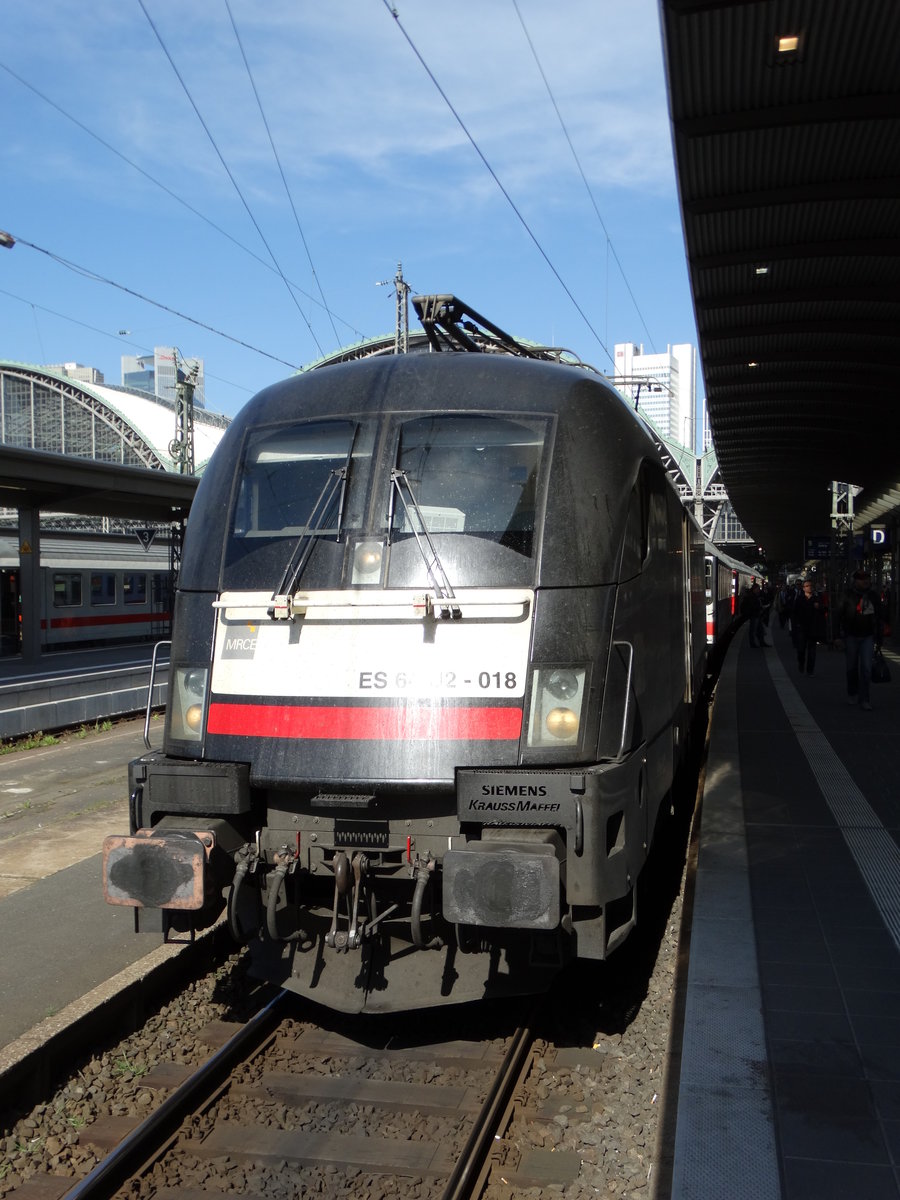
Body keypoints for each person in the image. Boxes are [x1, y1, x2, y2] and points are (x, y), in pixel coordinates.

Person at [837, 568, 883, 710]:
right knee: (851, 667)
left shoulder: (873, 596)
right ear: (855, 581)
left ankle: (865, 699)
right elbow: (838, 614)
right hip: (851, 635)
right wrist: (837, 636)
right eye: (862, 579)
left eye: (867, 578)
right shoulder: (847, 595)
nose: (865, 581)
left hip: (867, 636)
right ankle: (852, 692)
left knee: (866, 669)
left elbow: (880, 617)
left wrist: (879, 638)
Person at [791, 578, 826, 675]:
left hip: (813, 628)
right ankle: (801, 663)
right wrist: (796, 624)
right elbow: (794, 612)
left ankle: (810, 670)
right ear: (803, 588)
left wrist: (819, 607)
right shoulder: (799, 599)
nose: (809, 587)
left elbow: (824, 610)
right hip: (802, 628)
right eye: (807, 586)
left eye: (810, 586)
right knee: (801, 649)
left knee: (812, 651)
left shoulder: (817, 598)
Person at [740, 582, 764, 647]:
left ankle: (761, 642)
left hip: (756, 615)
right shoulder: (752, 596)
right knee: (754, 630)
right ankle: (753, 643)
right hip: (754, 615)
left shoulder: (754, 595)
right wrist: (759, 607)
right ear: (754, 589)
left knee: (759, 629)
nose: (759, 590)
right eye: (758, 589)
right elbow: (753, 606)